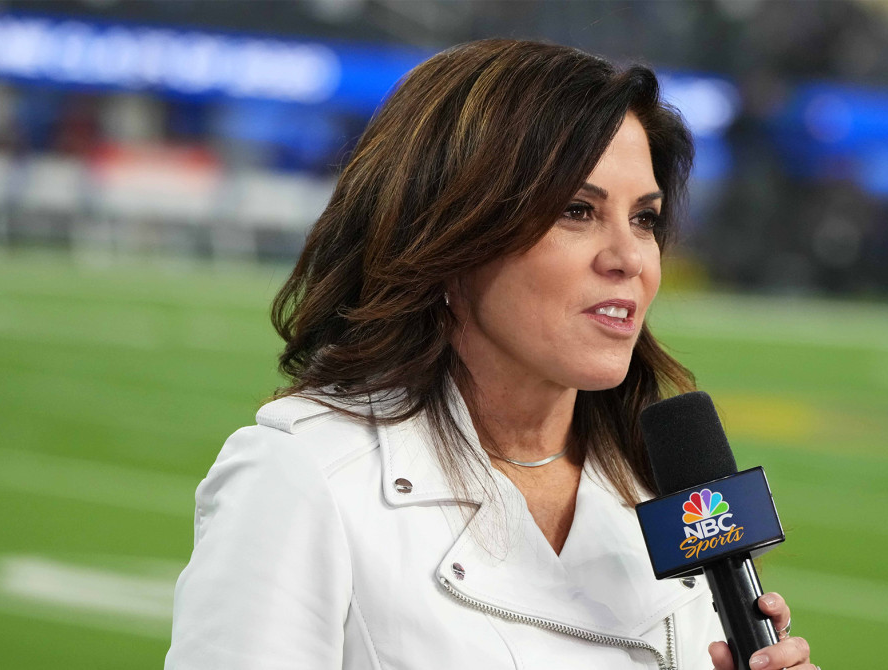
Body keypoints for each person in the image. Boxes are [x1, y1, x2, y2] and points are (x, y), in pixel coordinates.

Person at [165, 39, 815, 670]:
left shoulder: (660, 493)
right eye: (577, 210)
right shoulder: (304, 477)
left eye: (644, 219)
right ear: (453, 233)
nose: (628, 259)